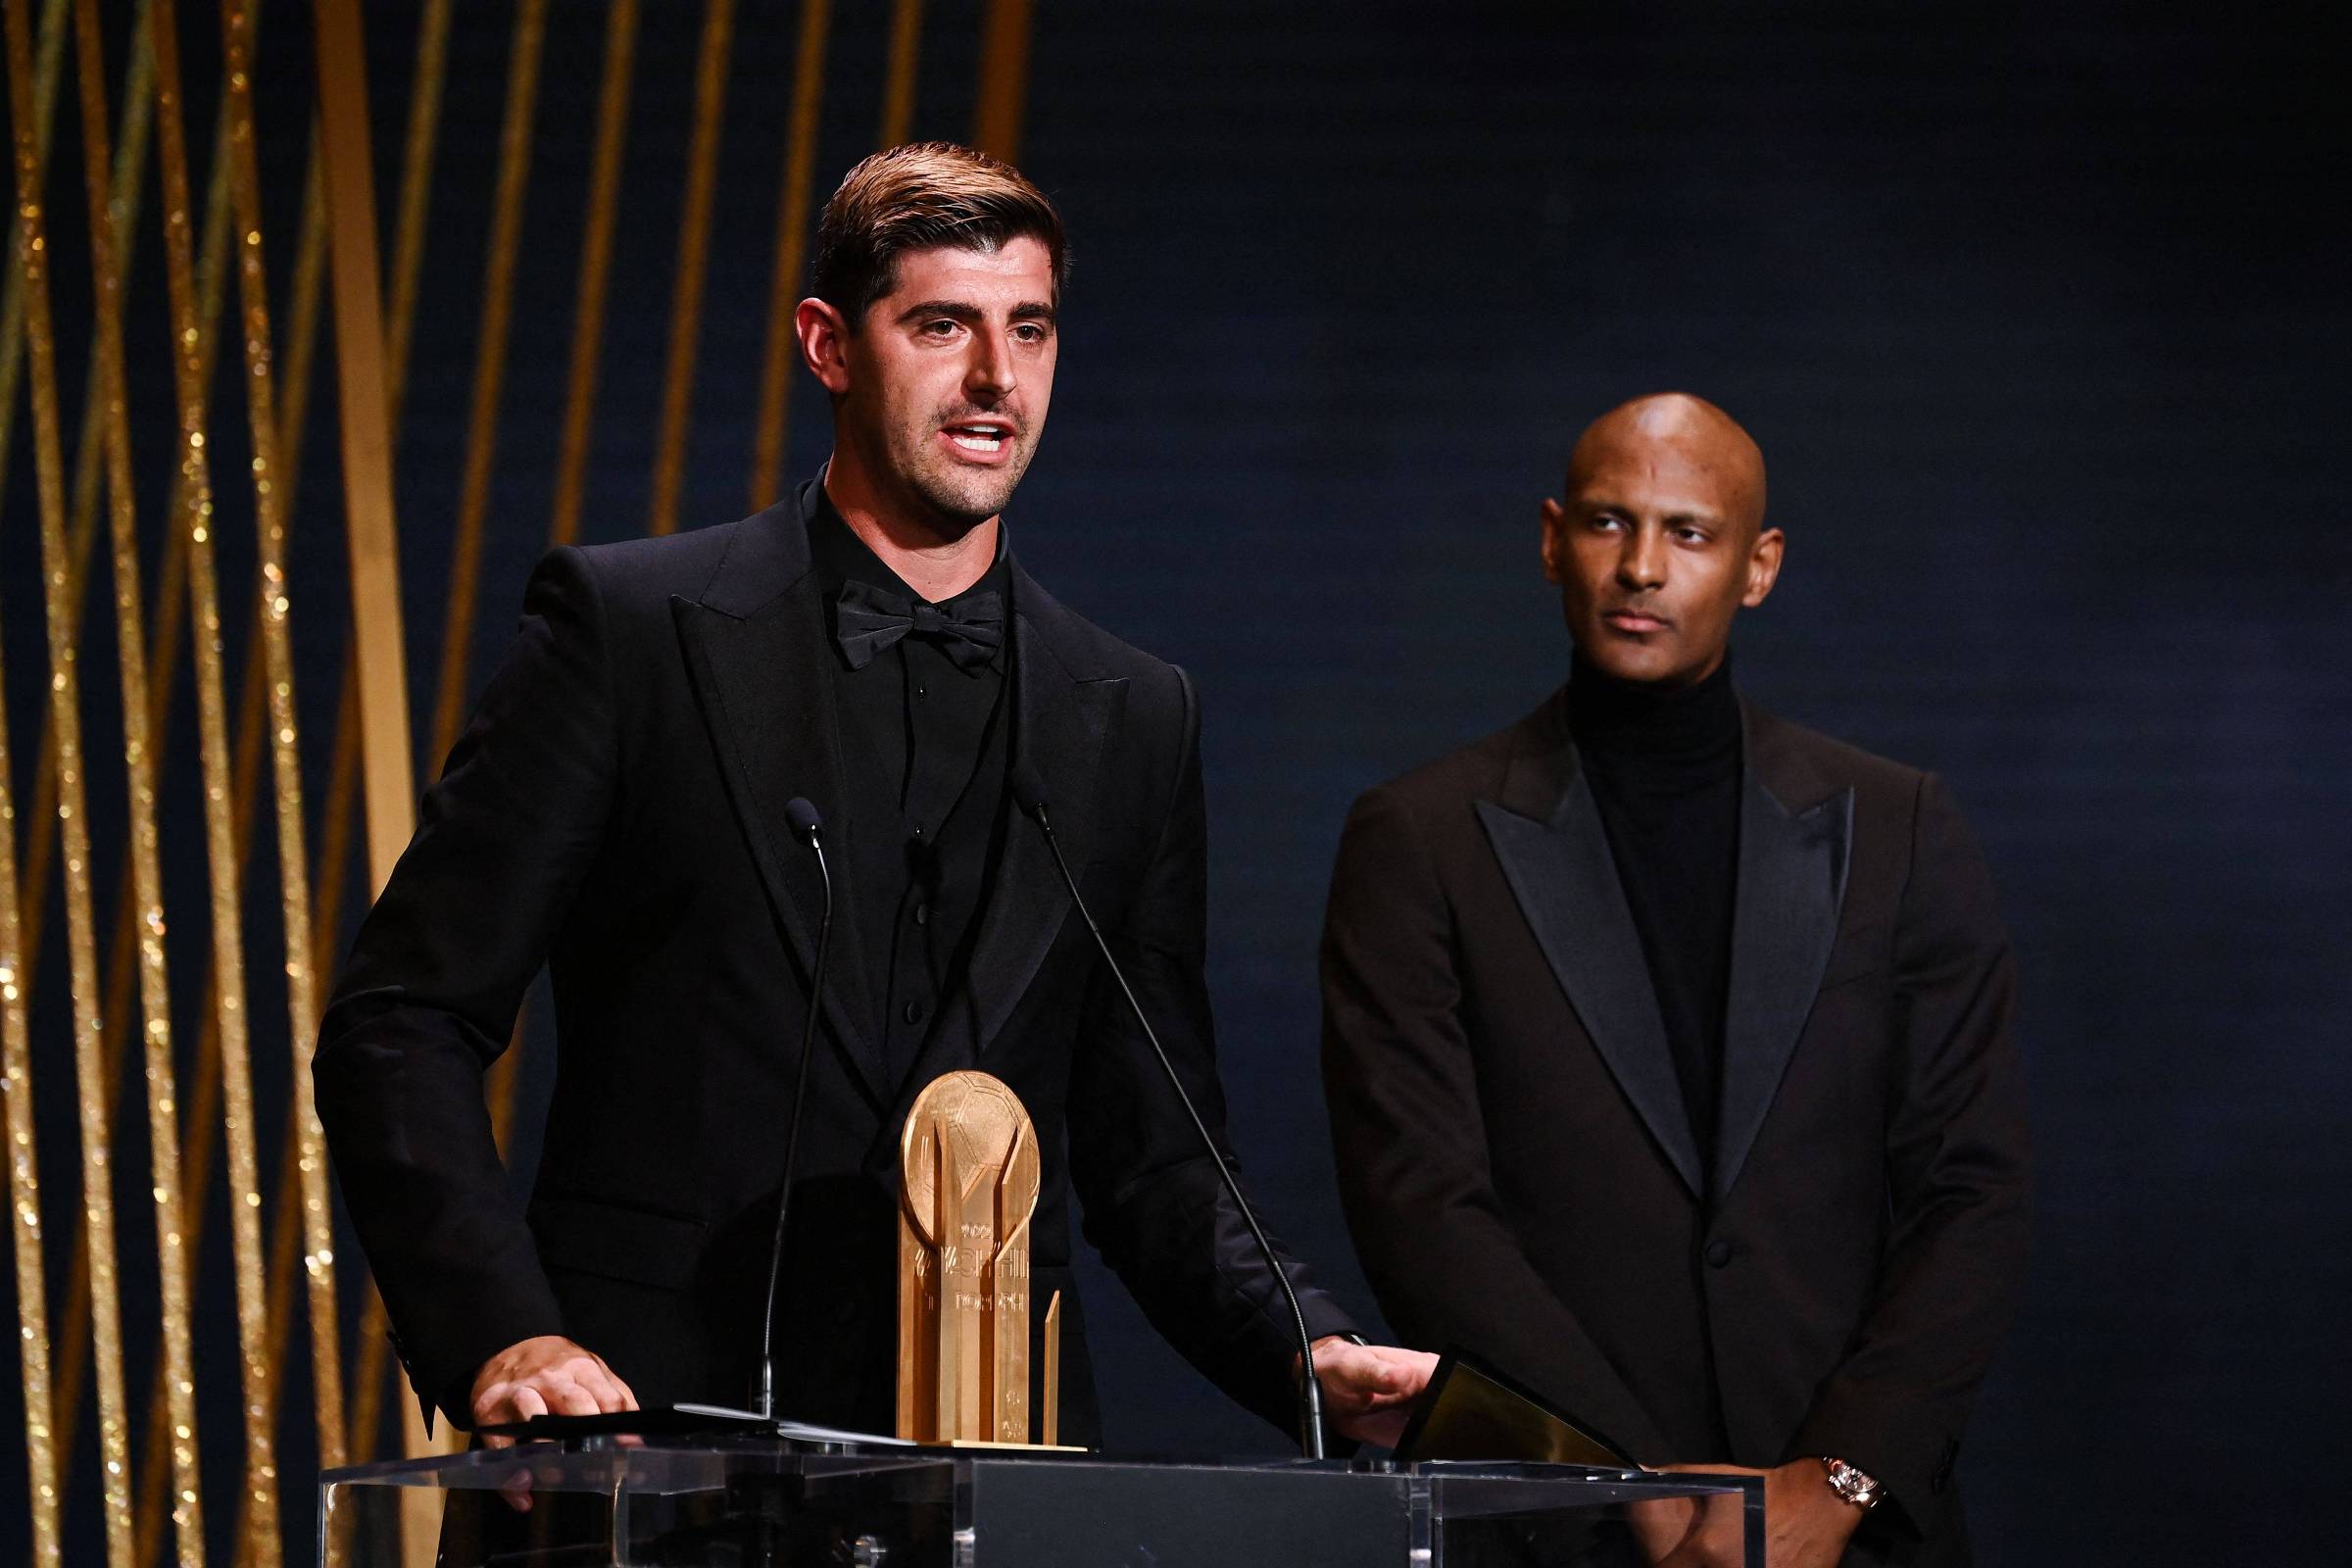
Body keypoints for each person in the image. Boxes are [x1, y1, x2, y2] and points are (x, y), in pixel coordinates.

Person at [316, 141, 1431, 1453]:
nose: (994, 381)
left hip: (989, 1462)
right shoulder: (632, 633)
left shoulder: (1128, 713)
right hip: (644, 1444)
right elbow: (404, 1020)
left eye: (1030, 328)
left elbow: (1154, 1145)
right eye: (942, 325)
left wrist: (1301, 1349)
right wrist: (505, 1333)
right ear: (829, 345)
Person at [1319, 394, 2029, 1566]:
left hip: (1851, 1533)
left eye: (1688, 533)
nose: (1641, 567)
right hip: (1552, 1530)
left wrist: (1838, 1478)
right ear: (1552, 539)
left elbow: (1973, 1191)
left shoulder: (1900, 829)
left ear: (1760, 568)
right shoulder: (1420, 838)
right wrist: (1618, 1476)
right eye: (1608, 523)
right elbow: (1422, 1205)